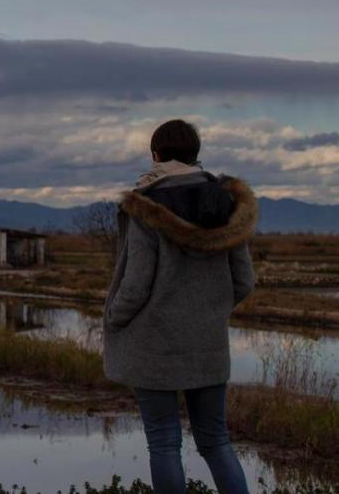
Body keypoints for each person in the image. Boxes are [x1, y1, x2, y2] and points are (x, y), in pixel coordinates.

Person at [103, 119, 257, 494]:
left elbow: (136, 283)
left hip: (155, 345)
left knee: (164, 443)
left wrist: (113, 318)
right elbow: (243, 281)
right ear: (195, 155)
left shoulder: (145, 207)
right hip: (207, 343)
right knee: (216, 441)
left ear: (156, 155)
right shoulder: (227, 204)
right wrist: (210, 310)